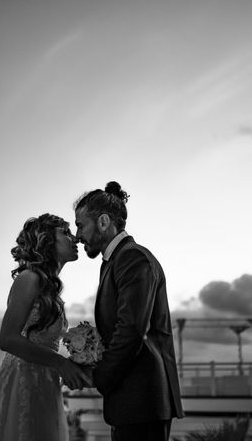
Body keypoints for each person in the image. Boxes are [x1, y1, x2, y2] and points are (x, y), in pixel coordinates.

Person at [73, 182, 184, 441]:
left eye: (80, 225)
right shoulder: (116, 261)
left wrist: (98, 377)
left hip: (143, 402)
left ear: (103, 222)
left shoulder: (132, 258)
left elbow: (131, 330)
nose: (77, 235)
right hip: (133, 403)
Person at [0, 213, 91, 441]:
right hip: (22, 386)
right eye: (65, 233)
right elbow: (7, 339)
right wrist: (59, 363)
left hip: (45, 386)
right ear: (47, 240)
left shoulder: (50, 289)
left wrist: (74, 366)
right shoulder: (29, 279)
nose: (74, 238)